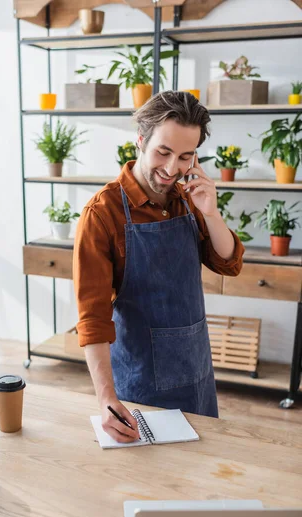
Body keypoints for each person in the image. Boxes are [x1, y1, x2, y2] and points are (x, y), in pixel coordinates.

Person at [73, 91, 244, 443]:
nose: (171, 169)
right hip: (140, 381)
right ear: (140, 139)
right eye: (163, 152)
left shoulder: (188, 198)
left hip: (197, 373)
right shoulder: (102, 214)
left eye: (185, 157)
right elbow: (92, 316)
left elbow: (228, 262)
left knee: (198, 478)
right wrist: (106, 397)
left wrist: (210, 212)